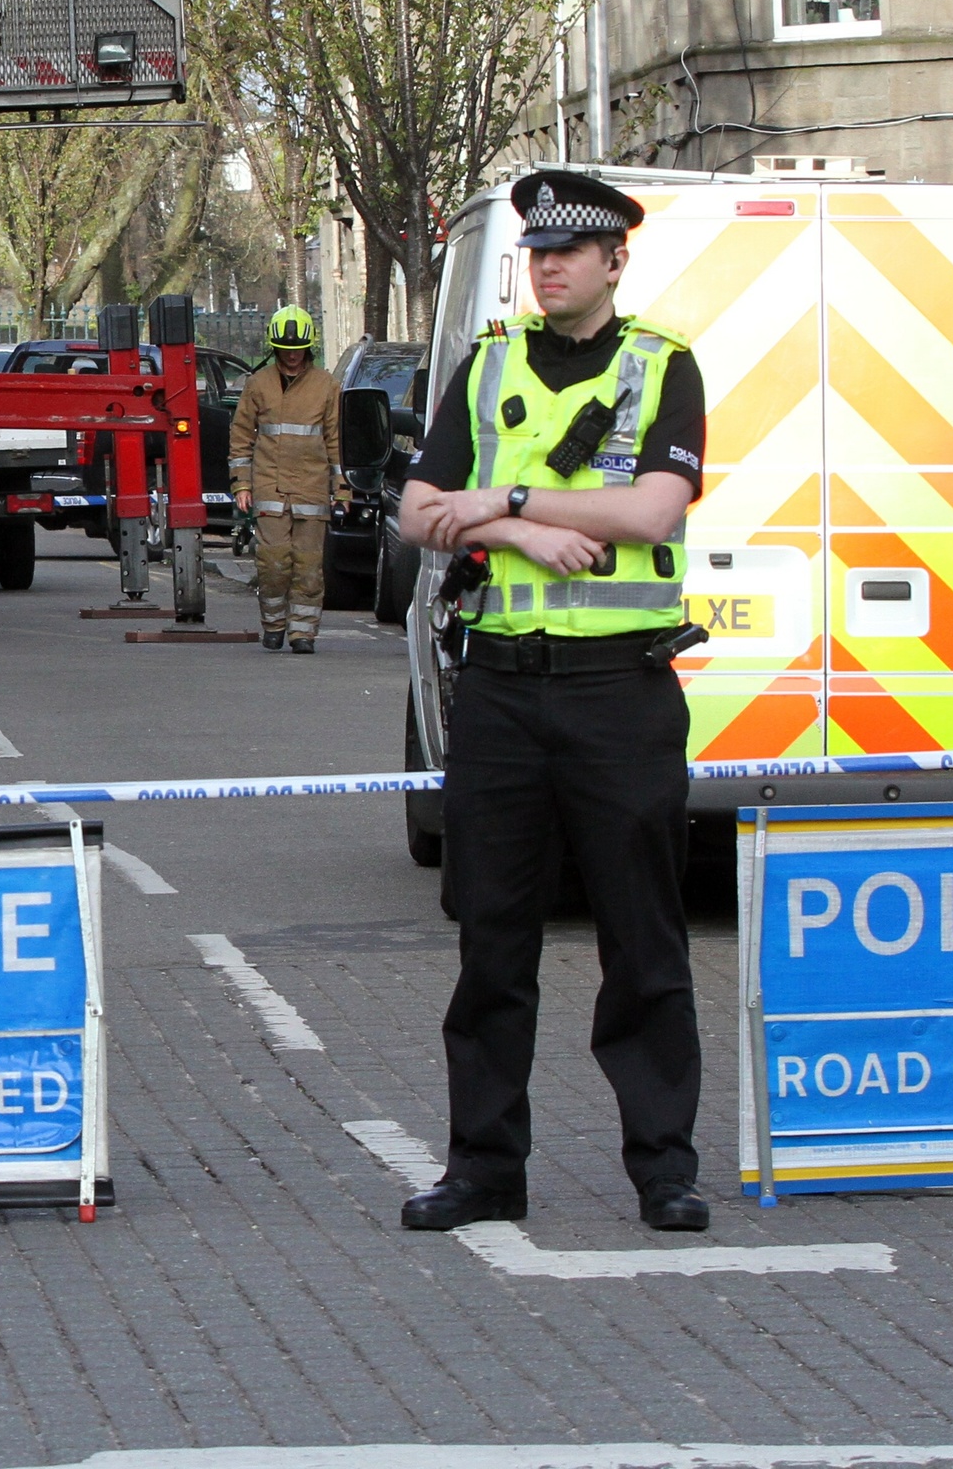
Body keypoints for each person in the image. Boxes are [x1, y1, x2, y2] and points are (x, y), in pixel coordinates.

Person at [390, 169, 712, 1235]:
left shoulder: (662, 369)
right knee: (492, 947)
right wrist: (518, 532)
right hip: (502, 695)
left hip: (619, 691)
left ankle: (664, 1165)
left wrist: (510, 495)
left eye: (571, 250)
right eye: (536, 252)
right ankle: (486, 1168)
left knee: (644, 944)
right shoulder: (486, 371)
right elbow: (417, 510)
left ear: (617, 261)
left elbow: (654, 509)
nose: (549, 265)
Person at [227, 305, 339, 654]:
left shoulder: (327, 386)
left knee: (308, 567)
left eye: (298, 349)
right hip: (269, 487)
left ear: (309, 347)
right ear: (275, 348)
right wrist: (241, 484)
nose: (292, 356)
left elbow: (336, 441)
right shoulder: (257, 385)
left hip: (311, 489)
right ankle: (273, 626)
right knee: (272, 563)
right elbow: (241, 437)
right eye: (285, 349)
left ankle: (303, 633)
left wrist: (342, 489)